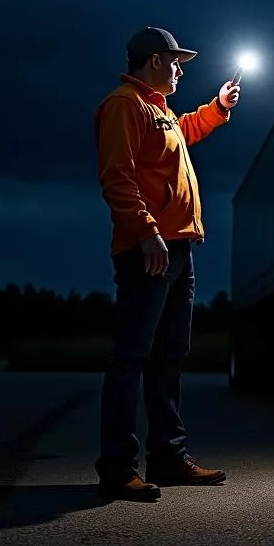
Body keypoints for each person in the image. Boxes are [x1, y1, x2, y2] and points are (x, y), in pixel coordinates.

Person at [93, 26, 240, 501]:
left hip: (177, 248)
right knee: (132, 356)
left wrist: (217, 109)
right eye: (176, 62)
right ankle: (117, 467)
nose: (180, 69)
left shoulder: (161, 112)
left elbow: (186, 132)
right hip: (148, 249)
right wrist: (147, 232)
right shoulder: (124, 105)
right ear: (155, 61)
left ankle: (168, 457)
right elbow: (116, 177)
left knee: (169, 356)